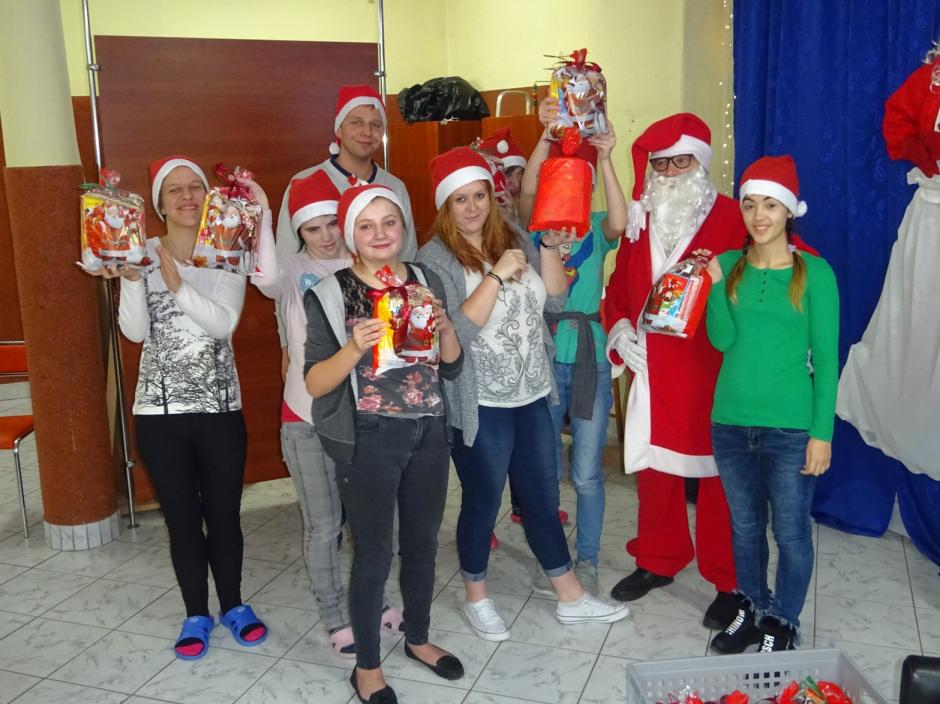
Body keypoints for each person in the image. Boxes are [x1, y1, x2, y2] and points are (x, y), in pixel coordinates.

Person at [417, 147, 630, 642]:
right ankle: (477, 597)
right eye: (460, 199)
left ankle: (570, 596)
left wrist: (549, 244)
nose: (472, 207)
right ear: (445, 206)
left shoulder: (513, 235)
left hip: (533, 393)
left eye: (479, 196)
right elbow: (453, 335)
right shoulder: (433, 259)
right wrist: (494, 276)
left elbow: (554, 300)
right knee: (482, 499)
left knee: (541, 497)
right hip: (480, 402)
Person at [85, 155, 267, 660]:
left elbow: (223, 324)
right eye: (175, 190)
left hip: (220, 410)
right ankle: (196, 613)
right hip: (159, 414)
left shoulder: (227, 248)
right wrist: (131, 278)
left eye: (196, 188)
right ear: (160, 204)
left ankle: (234, 605)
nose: (187, 197)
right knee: (182, 520)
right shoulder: (138, 251)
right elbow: (134, 332)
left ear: (209, 198)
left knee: (224, 515)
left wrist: (179, 285)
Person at [304, 184, 465, 704]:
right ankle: (367, 667)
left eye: (389, 222)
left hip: (430, 431)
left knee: (422, 545)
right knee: (373, 553)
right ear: (351, 235)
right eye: (366, 225)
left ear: (403, 227)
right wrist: (355, 347)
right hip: (371, 436)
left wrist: (445, 328)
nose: (379, 234)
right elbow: (315, 383)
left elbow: (451, 366)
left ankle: (417, 638)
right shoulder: (330, 293)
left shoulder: (424, 279)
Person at [253, 169, 406, 657]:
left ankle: (377, 601)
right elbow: (263, 276)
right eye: (311, 227)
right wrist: (261, 208)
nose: (324, 236)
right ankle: (336, 615)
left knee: (370, 521)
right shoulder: (290, 271)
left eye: (332, 224)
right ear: (298, 230)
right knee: (323, 526)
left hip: (365, 415)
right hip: (306, 415)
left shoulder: (365, 266)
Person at [603, 114, 743, 628]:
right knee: (655, 471)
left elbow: (776, 269)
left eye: (681, 162)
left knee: (721, 478)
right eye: (660, 165)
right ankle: (658, 558)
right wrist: (620, 329)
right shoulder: (640, 221)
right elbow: (620, 288)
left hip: (713, 367)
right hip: (652, 367)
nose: (669, 173)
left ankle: (728, 579)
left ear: (700, 165)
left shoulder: (734, 216)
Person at [703, 155, 839, 652]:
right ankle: (753, 607)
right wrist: (715, 288)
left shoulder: (815, 273)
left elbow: (827, 361)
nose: (759, 216)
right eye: (750, 205)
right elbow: (722, 340)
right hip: (730, 422)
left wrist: (821, 434)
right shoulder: (727, 266)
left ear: (788, 211)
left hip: (790, 429)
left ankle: (783, 620)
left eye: (770, 205)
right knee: (744, 527)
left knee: (790, 531)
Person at [514, 96, 628, 594]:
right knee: (543, 469)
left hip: (589, 357)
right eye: (559, 178)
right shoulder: (535, 230)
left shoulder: (596, 228)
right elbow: (526, 191)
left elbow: (621, 222)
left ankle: (588, 560)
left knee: (585, 473)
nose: (568, 186)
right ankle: (555, 560)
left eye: (577, 179)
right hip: (542, 359)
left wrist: (605, 157)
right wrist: (545, 137)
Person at [837, 45, 940, 481]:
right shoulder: (930, 80)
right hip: (932, 216)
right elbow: (899, 123)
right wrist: (924, 153)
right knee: (916, 320)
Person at [275, 84, 419, 376]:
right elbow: (282, 274)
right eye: (356, 122)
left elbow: (408, 261)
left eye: (375, 125)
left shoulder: (395, 187)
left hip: (380, 334)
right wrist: (287, 344)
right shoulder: (304, 182)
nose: (367, 132)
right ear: (338, 129)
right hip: (317, 336)